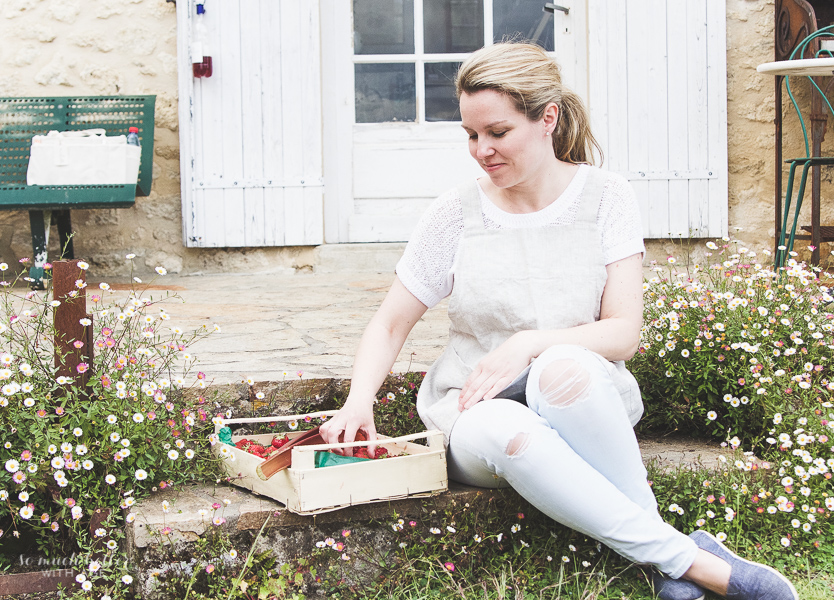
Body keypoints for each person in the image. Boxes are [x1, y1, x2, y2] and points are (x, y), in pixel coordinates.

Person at [320, 42, 798, 600]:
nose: (481, 150)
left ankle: (671, 567)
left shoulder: (606, 197)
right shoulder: (455, 212)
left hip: (581, 396)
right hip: (474, 410)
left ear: (547, 118)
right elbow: (389, 325)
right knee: (506, 428)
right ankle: (694, 564)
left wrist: (529, 344)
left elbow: (623, 334)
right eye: (471, 135)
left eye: (497, 133)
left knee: (562, 362)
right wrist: (359, 400)